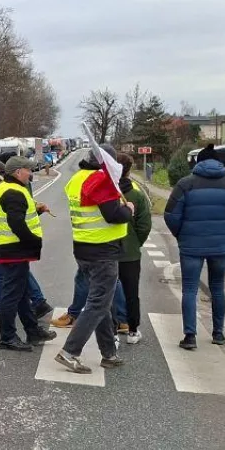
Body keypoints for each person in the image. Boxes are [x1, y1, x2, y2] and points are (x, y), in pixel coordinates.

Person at [54, 147, 135, 374]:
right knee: (98, 304)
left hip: (84, 248)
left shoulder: (77, 178)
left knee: (102, 303)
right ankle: (70, 352)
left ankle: (108, 354)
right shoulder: (101, 180)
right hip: (103, 252)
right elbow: (113, 215)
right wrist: (128, 209)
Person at [163, 152, 225, 350]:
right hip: (220, 246)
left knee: (190, 289)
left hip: (191, 246)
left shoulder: (185, 184)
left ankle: (190, 336)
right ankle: (218, 333)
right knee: (217, 288)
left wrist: (181, 234)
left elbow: (170, 215)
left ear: (198, 162)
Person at [0, 156, 58, 351]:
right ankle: (7, 337)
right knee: (11, 295)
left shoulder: (8, 189)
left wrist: (38, 213)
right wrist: (34, 241)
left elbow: (20, 217)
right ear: (18, 172)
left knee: (22, 294)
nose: (31, 173)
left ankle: (32, 330)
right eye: (28, 170)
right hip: (14, 249)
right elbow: (17, 224)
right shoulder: (13, 191)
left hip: (10, 248)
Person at [115, 153, 152, 344]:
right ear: (129, 171)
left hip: (107, 251)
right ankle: (132, 330)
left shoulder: (106, 193)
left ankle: (111, 332)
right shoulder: (136, 195)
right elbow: (144, 225)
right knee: (131, 292)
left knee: (108, 292)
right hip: (130, 252)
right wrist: (136, 242)